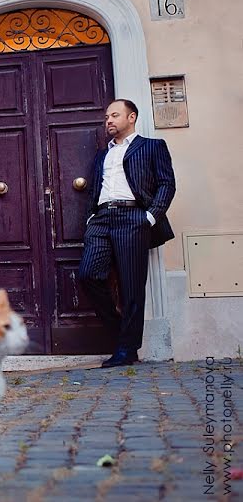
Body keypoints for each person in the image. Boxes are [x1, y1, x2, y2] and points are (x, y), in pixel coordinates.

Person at [78, 99, 176, 368]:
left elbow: (167, 184)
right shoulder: (102, 155)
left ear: (131, 117)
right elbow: (94, 188)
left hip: (133, 218)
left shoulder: (152, 146)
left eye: (114, 115)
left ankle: (127, 349)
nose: (108, 120)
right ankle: (122, 331)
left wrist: (150, 217)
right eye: (106, 116)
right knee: (87, 274)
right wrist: (90, 217)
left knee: (132, 286)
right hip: (101, 219)